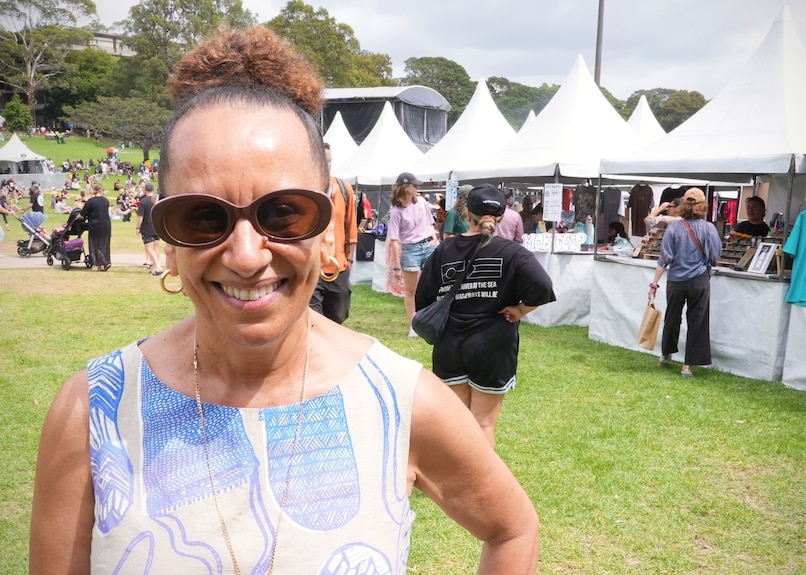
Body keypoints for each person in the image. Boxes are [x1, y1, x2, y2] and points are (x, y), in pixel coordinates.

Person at [29, 26, 538, 574]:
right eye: (203, 217)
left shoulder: (401, 401)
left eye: (283, 213)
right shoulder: (92, 411)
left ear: (327, 229)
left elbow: (512, 528)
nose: (247, 255)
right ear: (169, 240)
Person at [415, 184, 556, 447]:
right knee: (483, 423)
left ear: (467, 213)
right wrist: (521, 310)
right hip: (493, 346)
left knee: (457, 421)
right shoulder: (513, 253)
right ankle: (479, 484)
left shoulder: (443, 251)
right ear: (502, 217)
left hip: (450, 344)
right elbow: (543, 287)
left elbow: (424, 300)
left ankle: (456, 482)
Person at [648, 187, 722, 378]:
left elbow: (664, 258)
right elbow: (714, 258)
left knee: (672, 317)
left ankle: (665, 355)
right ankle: (687, 365)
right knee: (697, 321)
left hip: (676, 280)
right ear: (702, 206)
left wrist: (654, 284)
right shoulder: (709, 228)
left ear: (684, 205)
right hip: (699, 280)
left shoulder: (673, 228)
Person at [309, 143, 357, 324]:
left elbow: (352, 230)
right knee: (315, 318)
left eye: (329, 161)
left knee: (338, 314)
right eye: (323, 160)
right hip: (313, 265)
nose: (326, 165)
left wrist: (349, 261)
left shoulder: (345, 190)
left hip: (339, 266)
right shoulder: (307, 190)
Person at [387, 172, 439, 336]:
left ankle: (433, 320)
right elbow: (394, 240)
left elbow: (431, 223)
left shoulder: (422, 202)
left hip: (428, 245)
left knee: (433, 284)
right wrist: (396, 266)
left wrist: (434, 237)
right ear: (405, 187)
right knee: (410, 290)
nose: (418, 188)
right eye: (415, 185)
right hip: (410, 249)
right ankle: (413, 325)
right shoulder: (396, 211)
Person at [76, 182, 112, 271]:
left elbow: (82, 214)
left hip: (95, 226)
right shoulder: (106, 200)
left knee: (95, 246)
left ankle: (102, 264)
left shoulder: (91, 201)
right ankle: (106, 261)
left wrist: (77, 217)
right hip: (106, 225)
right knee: (105, 245)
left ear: (94, 190)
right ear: (101, 190)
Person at [136, 181, 163, 275]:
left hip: (147, 227)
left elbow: (140, 216)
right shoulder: (157, 200)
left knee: (149, 248)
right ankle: (155, 267)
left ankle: (158, 267)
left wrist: (138, 227)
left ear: (145, 190)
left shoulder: (143, 201)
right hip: (156, 226)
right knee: (156, 247)